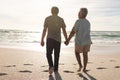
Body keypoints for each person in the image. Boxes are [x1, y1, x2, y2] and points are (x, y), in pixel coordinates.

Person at [41, 6, 67, 75]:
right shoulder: (61, 19)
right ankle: (55, 69)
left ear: (51, 11)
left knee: (48, 53)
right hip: (58, 39)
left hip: (49, 38)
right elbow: (64, 30)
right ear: (58, 12)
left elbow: (44, 30)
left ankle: (51, 66)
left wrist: (42, 39)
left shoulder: (47, 18)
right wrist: (66, 39)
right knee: (57, 54)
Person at [65, 8, 92, 72]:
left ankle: (80, 65)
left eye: (79, 12)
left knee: (77, 53)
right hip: (88, 41)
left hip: (80, 41)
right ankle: (84, 68)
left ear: (82, 14)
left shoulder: (78, 21)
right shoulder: (88, 22)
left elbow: (73, 31)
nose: (78, 13)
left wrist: (68, 40)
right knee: (85, 54)